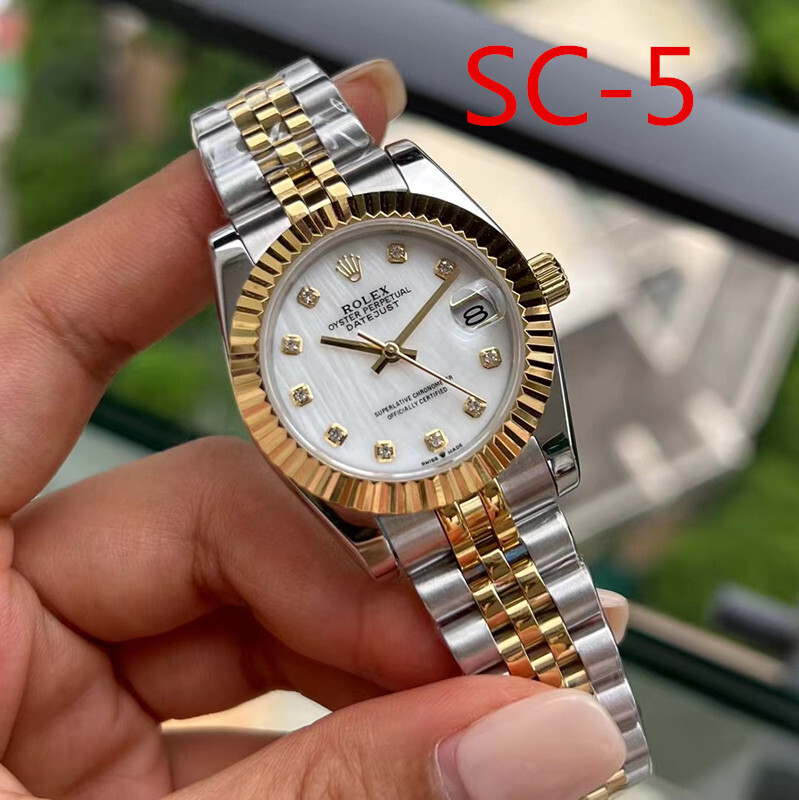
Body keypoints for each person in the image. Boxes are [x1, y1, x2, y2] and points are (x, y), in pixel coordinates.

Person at [0, 59, 631, 800]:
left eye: (395, 347)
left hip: (471, 459)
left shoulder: (395, 197)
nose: (390, 353)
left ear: (529, 284)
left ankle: (585, 756)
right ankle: (586, 762)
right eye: (379, 353)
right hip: (425, 495)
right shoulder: (257, 276)